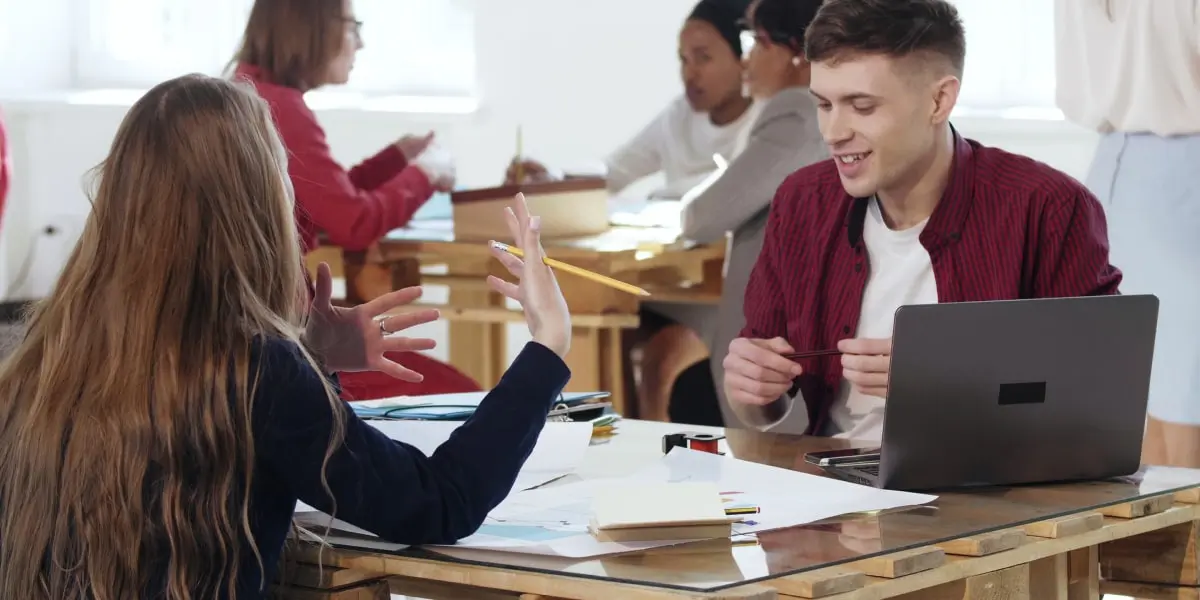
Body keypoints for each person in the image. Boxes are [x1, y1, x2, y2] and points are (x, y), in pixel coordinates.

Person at [0, 74, 572, 600]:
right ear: (257, 204)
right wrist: (546, 347)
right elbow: (440, 501)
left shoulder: (40, 355)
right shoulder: (255, 374)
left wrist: (311, 359)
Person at [722, 0, 1122, 436]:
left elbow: (1098, 400)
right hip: (831, 485)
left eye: (862, 106)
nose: (834, 132)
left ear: (938, 101)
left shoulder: (1048, 207)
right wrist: (753, 391)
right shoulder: (803, 202)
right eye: (824, 104)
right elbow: (764, 407)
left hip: (988, 489)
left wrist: (952, 383)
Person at [231, 0, 477, 399]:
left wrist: (396, 158)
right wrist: (426, 175)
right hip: (286, 342)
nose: (359, 43)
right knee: (461, 394)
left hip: (274, 331)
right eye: (352, 26)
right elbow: (353, 224)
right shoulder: (279, 107)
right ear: (311, 28)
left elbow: (320, 200)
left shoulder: (251, 89)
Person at [662, 0, 828, 427]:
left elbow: (702, 217)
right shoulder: (816, 112)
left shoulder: (796, 114)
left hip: (771, 356)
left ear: (796, 52)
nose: (748, 58)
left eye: (758, 44)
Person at [1055, 0, 1200, 468]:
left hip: (1116, 169)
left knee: (1149, 391)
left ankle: (1158, 538)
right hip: (1175, 174)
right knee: (1176, 396)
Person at [506, 0, 756, 200]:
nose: (690, 74)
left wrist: (663, 197)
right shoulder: (678, 118)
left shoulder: (772, 120)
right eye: (684, 59)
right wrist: (554, 180)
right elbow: (614, 172)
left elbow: (737, 186)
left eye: (703, 58)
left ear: (745, 59)